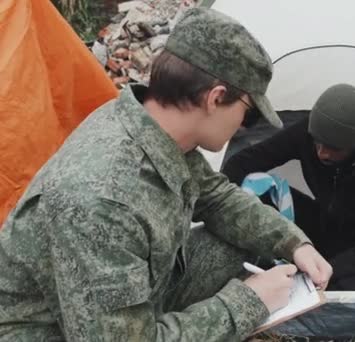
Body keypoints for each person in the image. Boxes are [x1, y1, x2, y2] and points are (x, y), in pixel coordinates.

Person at [0, 7, 332, 341]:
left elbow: (216, 198)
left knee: (236, 242)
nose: (243, 127)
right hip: (48, 332)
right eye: (248, 115)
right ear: (215, 98)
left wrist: (293, 242)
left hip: (118, 301)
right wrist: (249, 302)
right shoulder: (101, 199)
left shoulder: (154, 127)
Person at [223, 84, 355, 291]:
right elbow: (245, 162)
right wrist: (220, 201)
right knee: (262, 191)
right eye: (318, 144)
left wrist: (313, 271)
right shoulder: (309, 133)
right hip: (324, 221)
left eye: (333, 148)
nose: (322, 153)